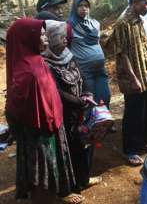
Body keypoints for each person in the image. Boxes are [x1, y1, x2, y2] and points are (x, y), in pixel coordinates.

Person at [4, 18, 74, 204]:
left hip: (49, 130)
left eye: (45, 34)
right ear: (26, 39)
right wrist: (12, 130)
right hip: (39, 139)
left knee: (49, 181)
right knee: (44, 183)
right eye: (41, 34)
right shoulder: (27, 73)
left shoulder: (35, 61)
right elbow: (16, 110)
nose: (45, 38)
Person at [42, 20, 103, 203]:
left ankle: (84, 180)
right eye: (61, 38)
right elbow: (58, 93)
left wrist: (87, 93)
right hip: (64, 116)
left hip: (80, 111)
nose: (65, 41)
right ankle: (67, 189)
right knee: (69, 151)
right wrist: (79, 102)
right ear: (51, 40)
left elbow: (81, 75)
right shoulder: (46, 63)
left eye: (65, 37)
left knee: (85, 144)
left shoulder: (68, 55)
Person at [111, 0, 147, 166]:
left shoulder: (139, 20)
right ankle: (129, 150)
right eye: (145, 3)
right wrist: (132, 78)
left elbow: (145, 48)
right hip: (133, 78)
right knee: (133, 113)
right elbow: (121, 53)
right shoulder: (123, 24)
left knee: (145, 111)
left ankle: (142, 141)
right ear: (135, 2)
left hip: (145, 74)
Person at [67, 0, 116, 131]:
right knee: (90, 99)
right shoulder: (70, 26)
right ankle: (90, 126)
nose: (84, 9)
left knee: (105, 95)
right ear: (75, 7)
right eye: (81, 5)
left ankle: (104, 122)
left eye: (86, 6)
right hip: (84, 70)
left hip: (100, 69)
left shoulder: (95, 23)